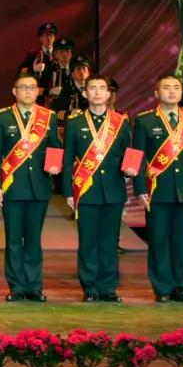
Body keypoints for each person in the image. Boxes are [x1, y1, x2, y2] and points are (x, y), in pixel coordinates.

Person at [132, 74, 183, 303]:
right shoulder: (145, 121)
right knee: (159, 241)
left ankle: (181, 287)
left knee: (181, 242)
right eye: (166, 87)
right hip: (156, 191)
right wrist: (139, 189)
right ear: (157, 93)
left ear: (182, 92)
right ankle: (162, 288)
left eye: (176, 87)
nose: (172, 91)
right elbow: (137, 156)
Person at [0, 73, 62, 302]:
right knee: (13, 239)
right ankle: (16, 287)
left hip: (39, 186)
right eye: (23, 87)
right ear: (14, 91)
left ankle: (34, 286)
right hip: (12, 186)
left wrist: (55, 165)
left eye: (32, 87)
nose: (28, 91)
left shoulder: (48, 117)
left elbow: (55, 147)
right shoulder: (2, 117)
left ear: (38, 91)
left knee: (33, 239)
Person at [63, 75, 133, 302]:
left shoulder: (121, 122)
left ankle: (108, 287)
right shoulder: (75, 122)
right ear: (85, 93)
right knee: (88, 241)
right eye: (92, 88)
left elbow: (129, 153)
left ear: (108, 93)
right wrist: (67, 192)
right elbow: (67, 160)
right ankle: (90, 288)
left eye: (102, 88)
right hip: (86, 190)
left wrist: (131, 170)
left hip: (113, 190)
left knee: (110, 242)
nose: (97, 92)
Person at [17, 22, 57, 90]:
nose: (49, 38)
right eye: (46, 35)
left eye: (51, 35)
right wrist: (33, 69)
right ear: (41, 38)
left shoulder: (59, 54)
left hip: (55, 92)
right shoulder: (34, 54)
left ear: (54, 38)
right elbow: (19, 71)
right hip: (38, 92)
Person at [38, 37, 73, 108]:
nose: (65, 55)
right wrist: (50, 92)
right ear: (56, 54)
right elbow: (37, 90)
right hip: (54, 109)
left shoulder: (76, 70)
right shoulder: (50, 70)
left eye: (67, 51)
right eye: (61, 52)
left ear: (71, 54)